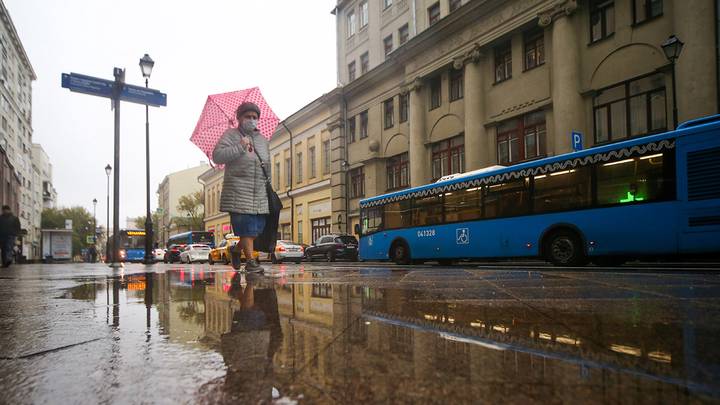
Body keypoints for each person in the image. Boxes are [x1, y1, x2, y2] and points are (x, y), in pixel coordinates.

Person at [212, 102, 270, 273]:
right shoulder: (230, 135)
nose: (252, 120)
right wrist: (240, 146)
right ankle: (251, 262)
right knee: (246, 229)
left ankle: (235, 251)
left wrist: (269, 186)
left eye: (255, 117)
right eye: (248, 117)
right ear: (239, 118)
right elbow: (217, 156)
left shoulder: (262, 140)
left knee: (255, 232)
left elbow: (267, 164)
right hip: (237, 191)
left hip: (259, 192)